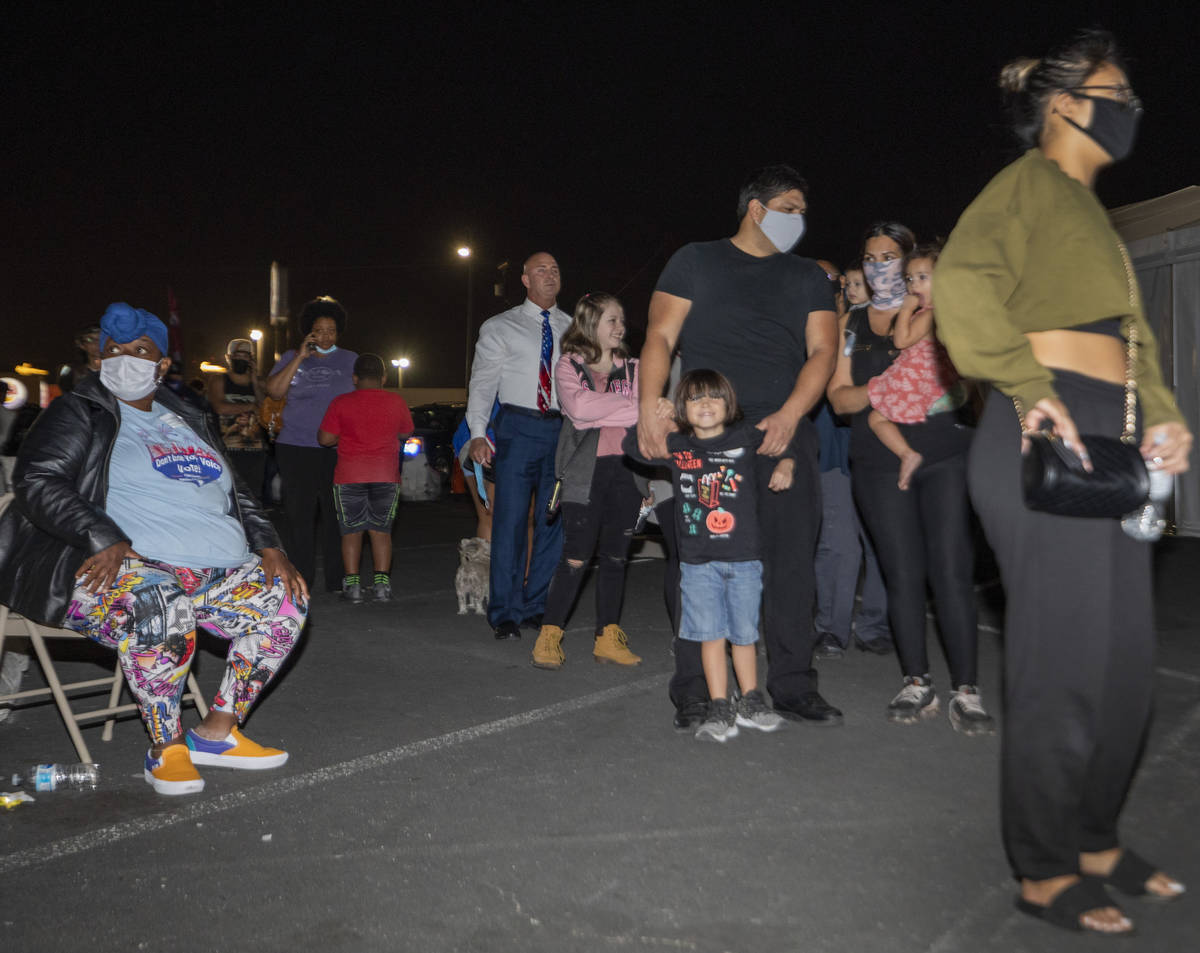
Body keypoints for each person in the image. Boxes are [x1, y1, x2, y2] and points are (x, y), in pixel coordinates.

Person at [935, 29, 1190, 935]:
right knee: (1062, 663)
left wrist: (1161, 411)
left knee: (1123, 666)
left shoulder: (1097, 219)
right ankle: (1042, 868)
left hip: (1106, 436)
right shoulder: (1025, 187)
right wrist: (1029, 385)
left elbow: (1135, 340)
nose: (1130, 111)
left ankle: (1094, 838)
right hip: (1038, 428)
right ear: (1065, 104)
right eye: (1116, 92)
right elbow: (960, 287)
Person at [0, 302, 307, 796]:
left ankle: (217, 733)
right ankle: (165, 748)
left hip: (213, 569)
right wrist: (104, 536)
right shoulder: (79, 410)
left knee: (285, 598)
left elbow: (235, 490)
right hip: (115, 570)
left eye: (140, 350)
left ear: (162, 364)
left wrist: (269, 545)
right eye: (114, 351)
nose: (126, 359)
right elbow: (39, 480)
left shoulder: (187, 414)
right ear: (98, 360)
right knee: (162, 601)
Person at [637, 164, 840, 728]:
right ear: (758, 209)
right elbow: (658, 336)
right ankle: (696, 689)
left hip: (782, 429)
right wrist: (649, 409)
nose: (800, 221)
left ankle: (794, 685)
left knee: (791, 561)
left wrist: (792, 416)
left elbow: (823, 351)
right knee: (697, 561)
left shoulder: (807, 277)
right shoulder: (696, 260)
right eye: (791, 209)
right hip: (704, 435)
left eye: (803, 212)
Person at [827, 222, 991, 734]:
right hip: (878, 461)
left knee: (951, 572)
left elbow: (971, 381)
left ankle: (967, 688)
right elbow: (838, 399)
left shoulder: (947, 310)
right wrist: (888, 388)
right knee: (901, 574)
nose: (879, 266)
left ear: (910, 262)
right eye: (869, 257)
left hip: (947, 453)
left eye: (889, 257)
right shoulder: (848, 324)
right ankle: (916, 680)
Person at [627, 370, 789, 741]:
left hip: (744, 558)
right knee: (710, 635)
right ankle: (719, 702)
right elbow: (632, 446)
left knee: (744, 634)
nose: (705, 404)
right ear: (684, 408)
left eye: (713, 397)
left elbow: (783, 443)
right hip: (698, 563)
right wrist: (659, 417)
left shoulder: (745, 438)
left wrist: (787, 464)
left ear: (729, 404)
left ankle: (750, 698)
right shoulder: (679, 448)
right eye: (695, 398)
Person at [531, 293, 644, 670]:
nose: (621, 327)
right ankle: (549, 635)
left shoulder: (635, 368)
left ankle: (607, 637)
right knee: (576, 556)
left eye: (622, 320)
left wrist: (603, 409)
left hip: (627, 471)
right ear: (589, 323)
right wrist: (627, 408)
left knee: (615, 557)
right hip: (584, 472)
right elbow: (578, 411)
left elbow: (645, 410)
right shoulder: (569, 365)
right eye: (612, 320)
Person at [465, 253, 571, 641]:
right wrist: (478, 432)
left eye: (555, 270)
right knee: (509, 521)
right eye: (541, 270)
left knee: (551, 521)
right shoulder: (500, 326)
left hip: (561, 431)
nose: (550, 275)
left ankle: (536, 607)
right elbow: (482, 383)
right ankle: (505, 612)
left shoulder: (573, 328)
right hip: (516, 427)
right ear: (525, 279)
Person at [266, 296, 358, 592]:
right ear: (309, 332)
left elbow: (362, 399)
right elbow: (275, 392)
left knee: (335, 515)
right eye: (319, 330)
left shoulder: (350, 359)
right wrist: (299, 358)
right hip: (295, 446)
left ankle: (336, 579)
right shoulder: (292, 357)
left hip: (336, 449)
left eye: (332, 330)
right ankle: (300, 577)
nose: (326, 336)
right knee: (299, 515)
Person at [865, 244, 967, 490]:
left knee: (876, 418)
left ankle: (907, 454)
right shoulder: (944, 312)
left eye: (922, 278)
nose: (913, 285)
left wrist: (906, 309)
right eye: (909, 279)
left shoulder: (928, 314)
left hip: (916, 381)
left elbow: (901, 341)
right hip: (933, 381)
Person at [317, 353, 414, 603]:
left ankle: (353, 587)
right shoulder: (396, 401)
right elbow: (406, 432)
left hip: (349, 476)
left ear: (355, 378)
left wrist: (347, 435)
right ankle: (382, 587)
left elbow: (325, 439)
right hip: (385, 475)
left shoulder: (341, 402)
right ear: (383, 377)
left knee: (352, 532)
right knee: (381, 532)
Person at [206, 338, 268, 500]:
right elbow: (219, 407)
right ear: (229, 357)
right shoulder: (219, 380)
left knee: (254, 499)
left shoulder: (260, 383)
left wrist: (254, 380)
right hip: (227, 450)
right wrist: (249, 407)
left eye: (245, 356)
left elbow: (265, 408)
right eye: (237, 355)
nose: (241, 359)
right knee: (228, 497)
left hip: (256, 451)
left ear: (251, 359)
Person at [57, 324, 101, 394]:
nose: (96, 343)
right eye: (90, 339)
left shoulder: (119, 370)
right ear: (81, 345)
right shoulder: (71, 372)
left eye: (101, 339)